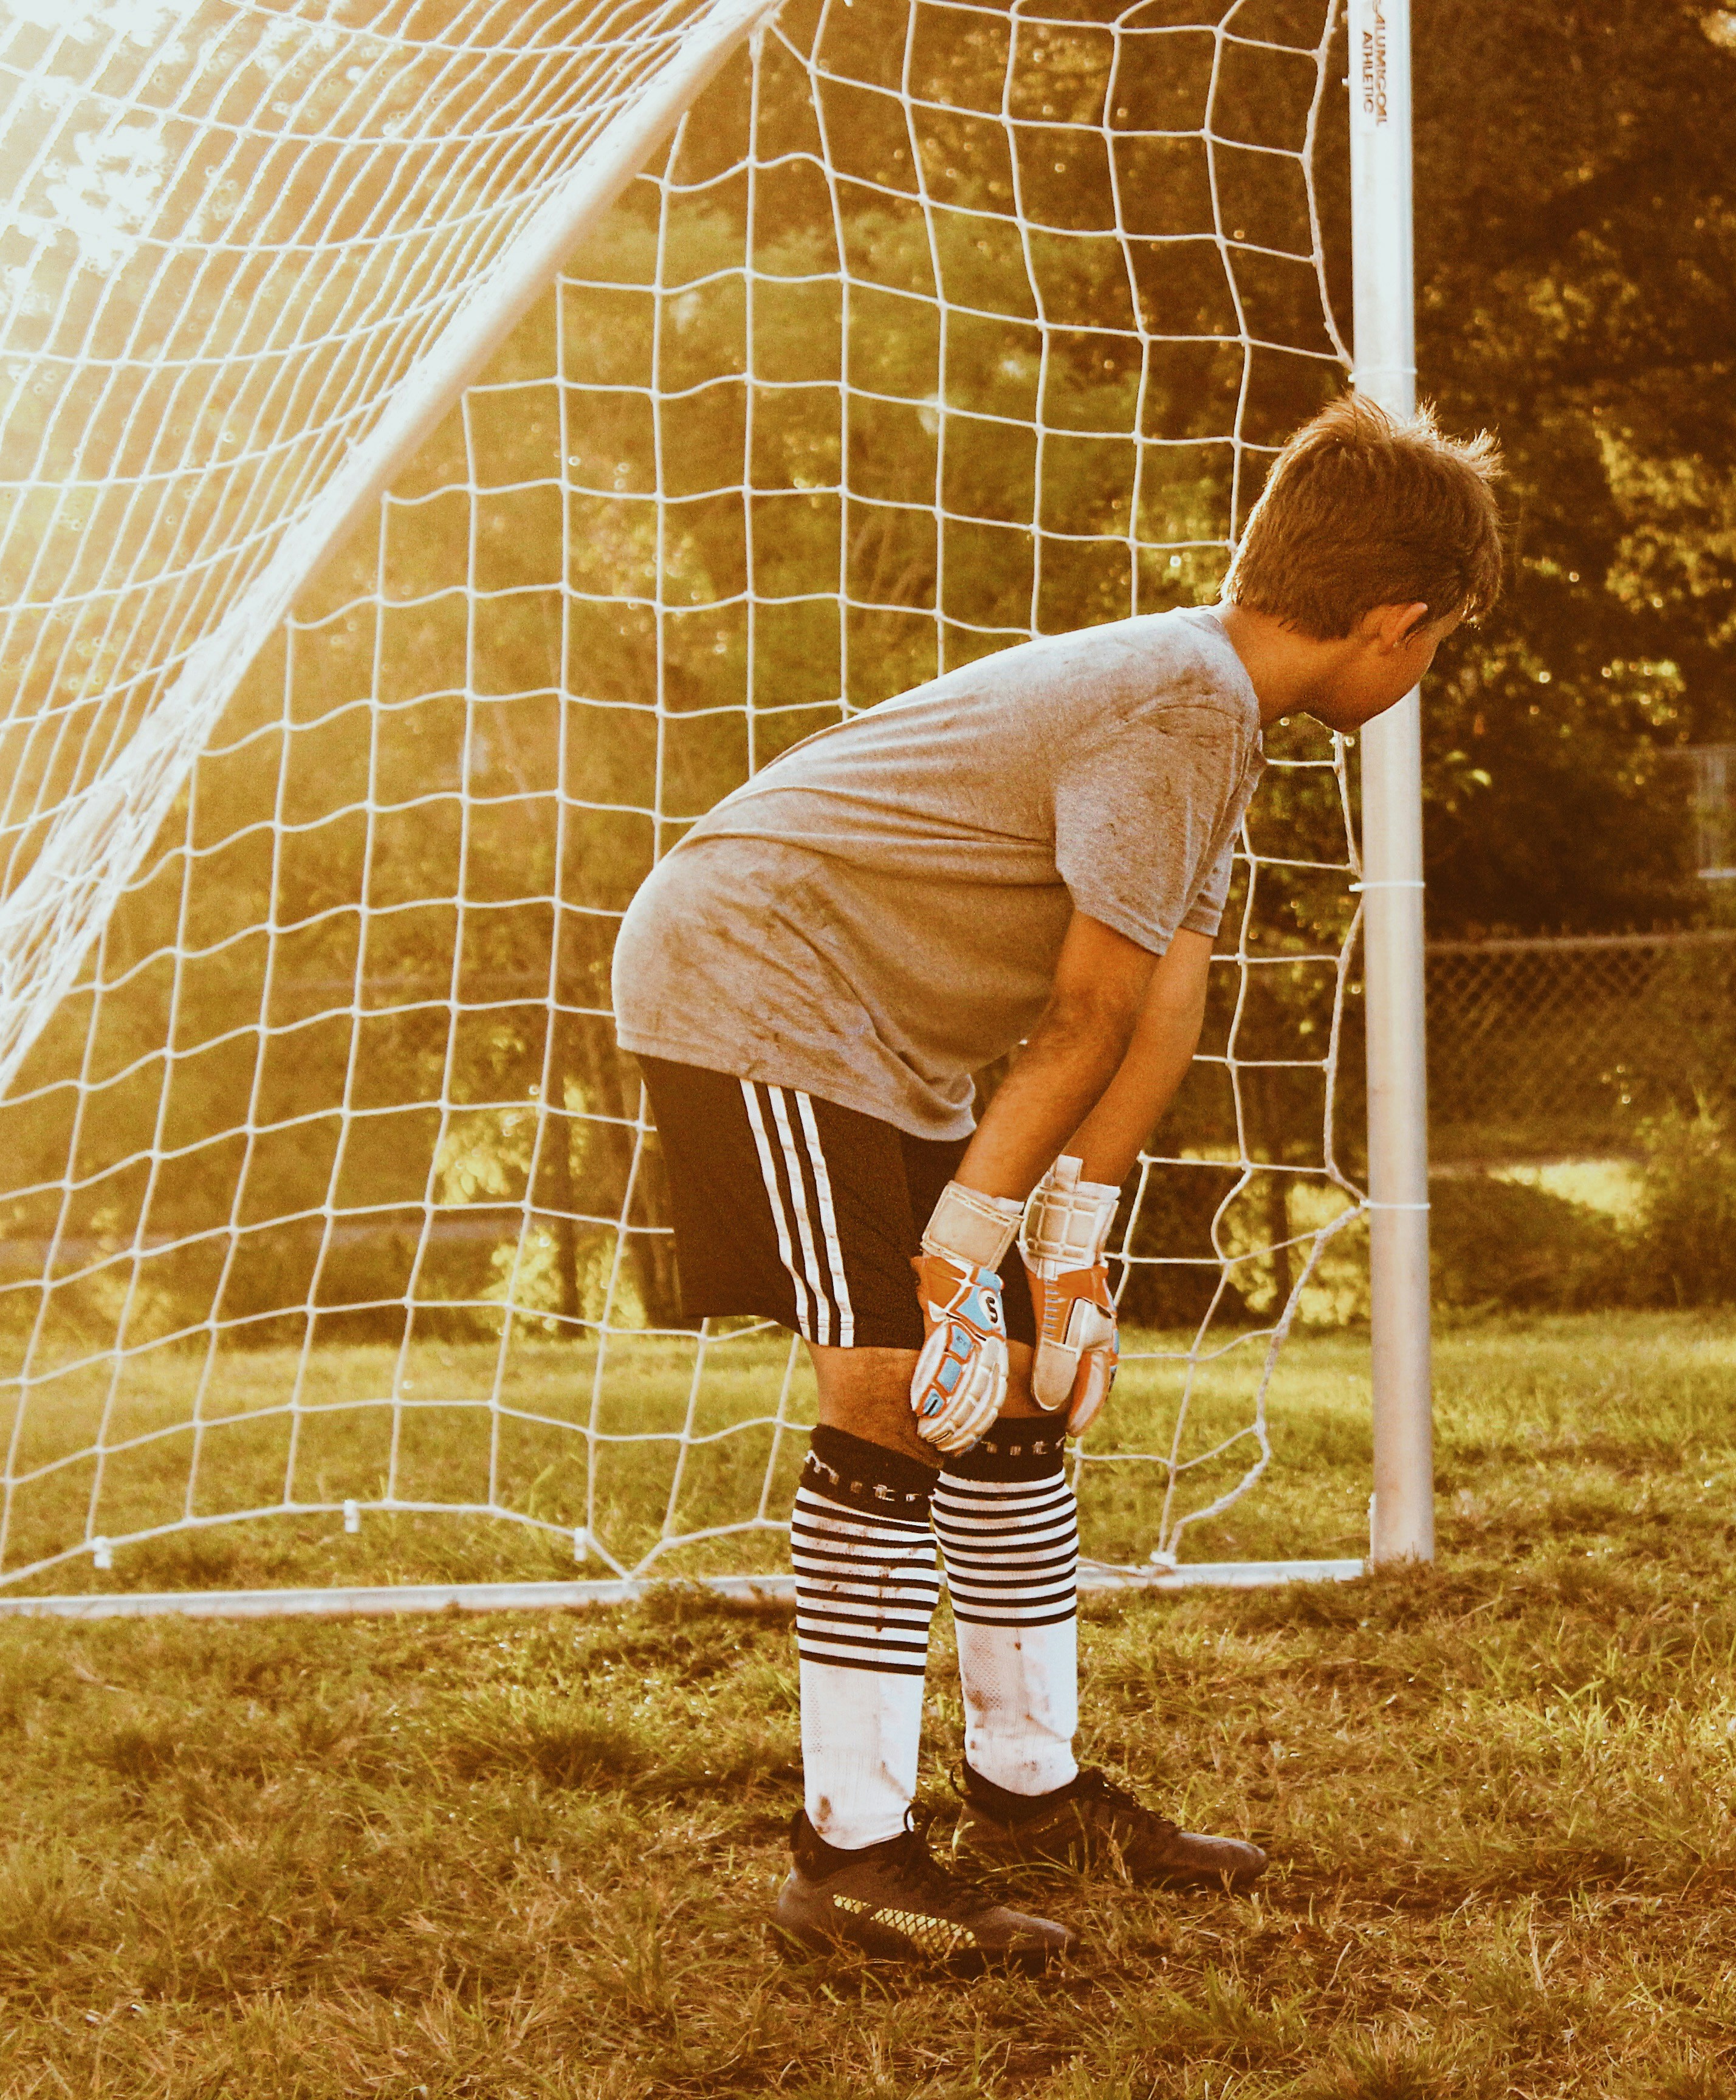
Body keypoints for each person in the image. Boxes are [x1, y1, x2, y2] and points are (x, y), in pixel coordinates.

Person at [609, 393, 1504, 1968]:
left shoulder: (1214, 711)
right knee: (894, 1379)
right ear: (1393, 622)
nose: (1422, 670)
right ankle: (850, 1859)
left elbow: (1162, 1009)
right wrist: (964, 1246)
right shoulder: (1178, 699)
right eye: (1435, 645)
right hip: (754, 978)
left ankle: (1026, 1795)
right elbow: (1080, 1016)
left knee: (1019, 1382)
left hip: (878, 1031)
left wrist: (1068, 1256)